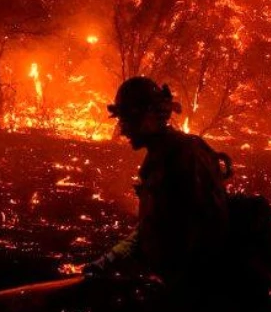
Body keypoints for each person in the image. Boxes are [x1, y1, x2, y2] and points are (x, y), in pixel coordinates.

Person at [83, 76, 233, 295]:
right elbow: (152, 228)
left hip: (199, 293)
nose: (122, 130)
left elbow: (204, 231)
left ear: (150, 117)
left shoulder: (183, 157)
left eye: (127, 121)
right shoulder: (161, 159)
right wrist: (110, 260)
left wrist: (179, 289)